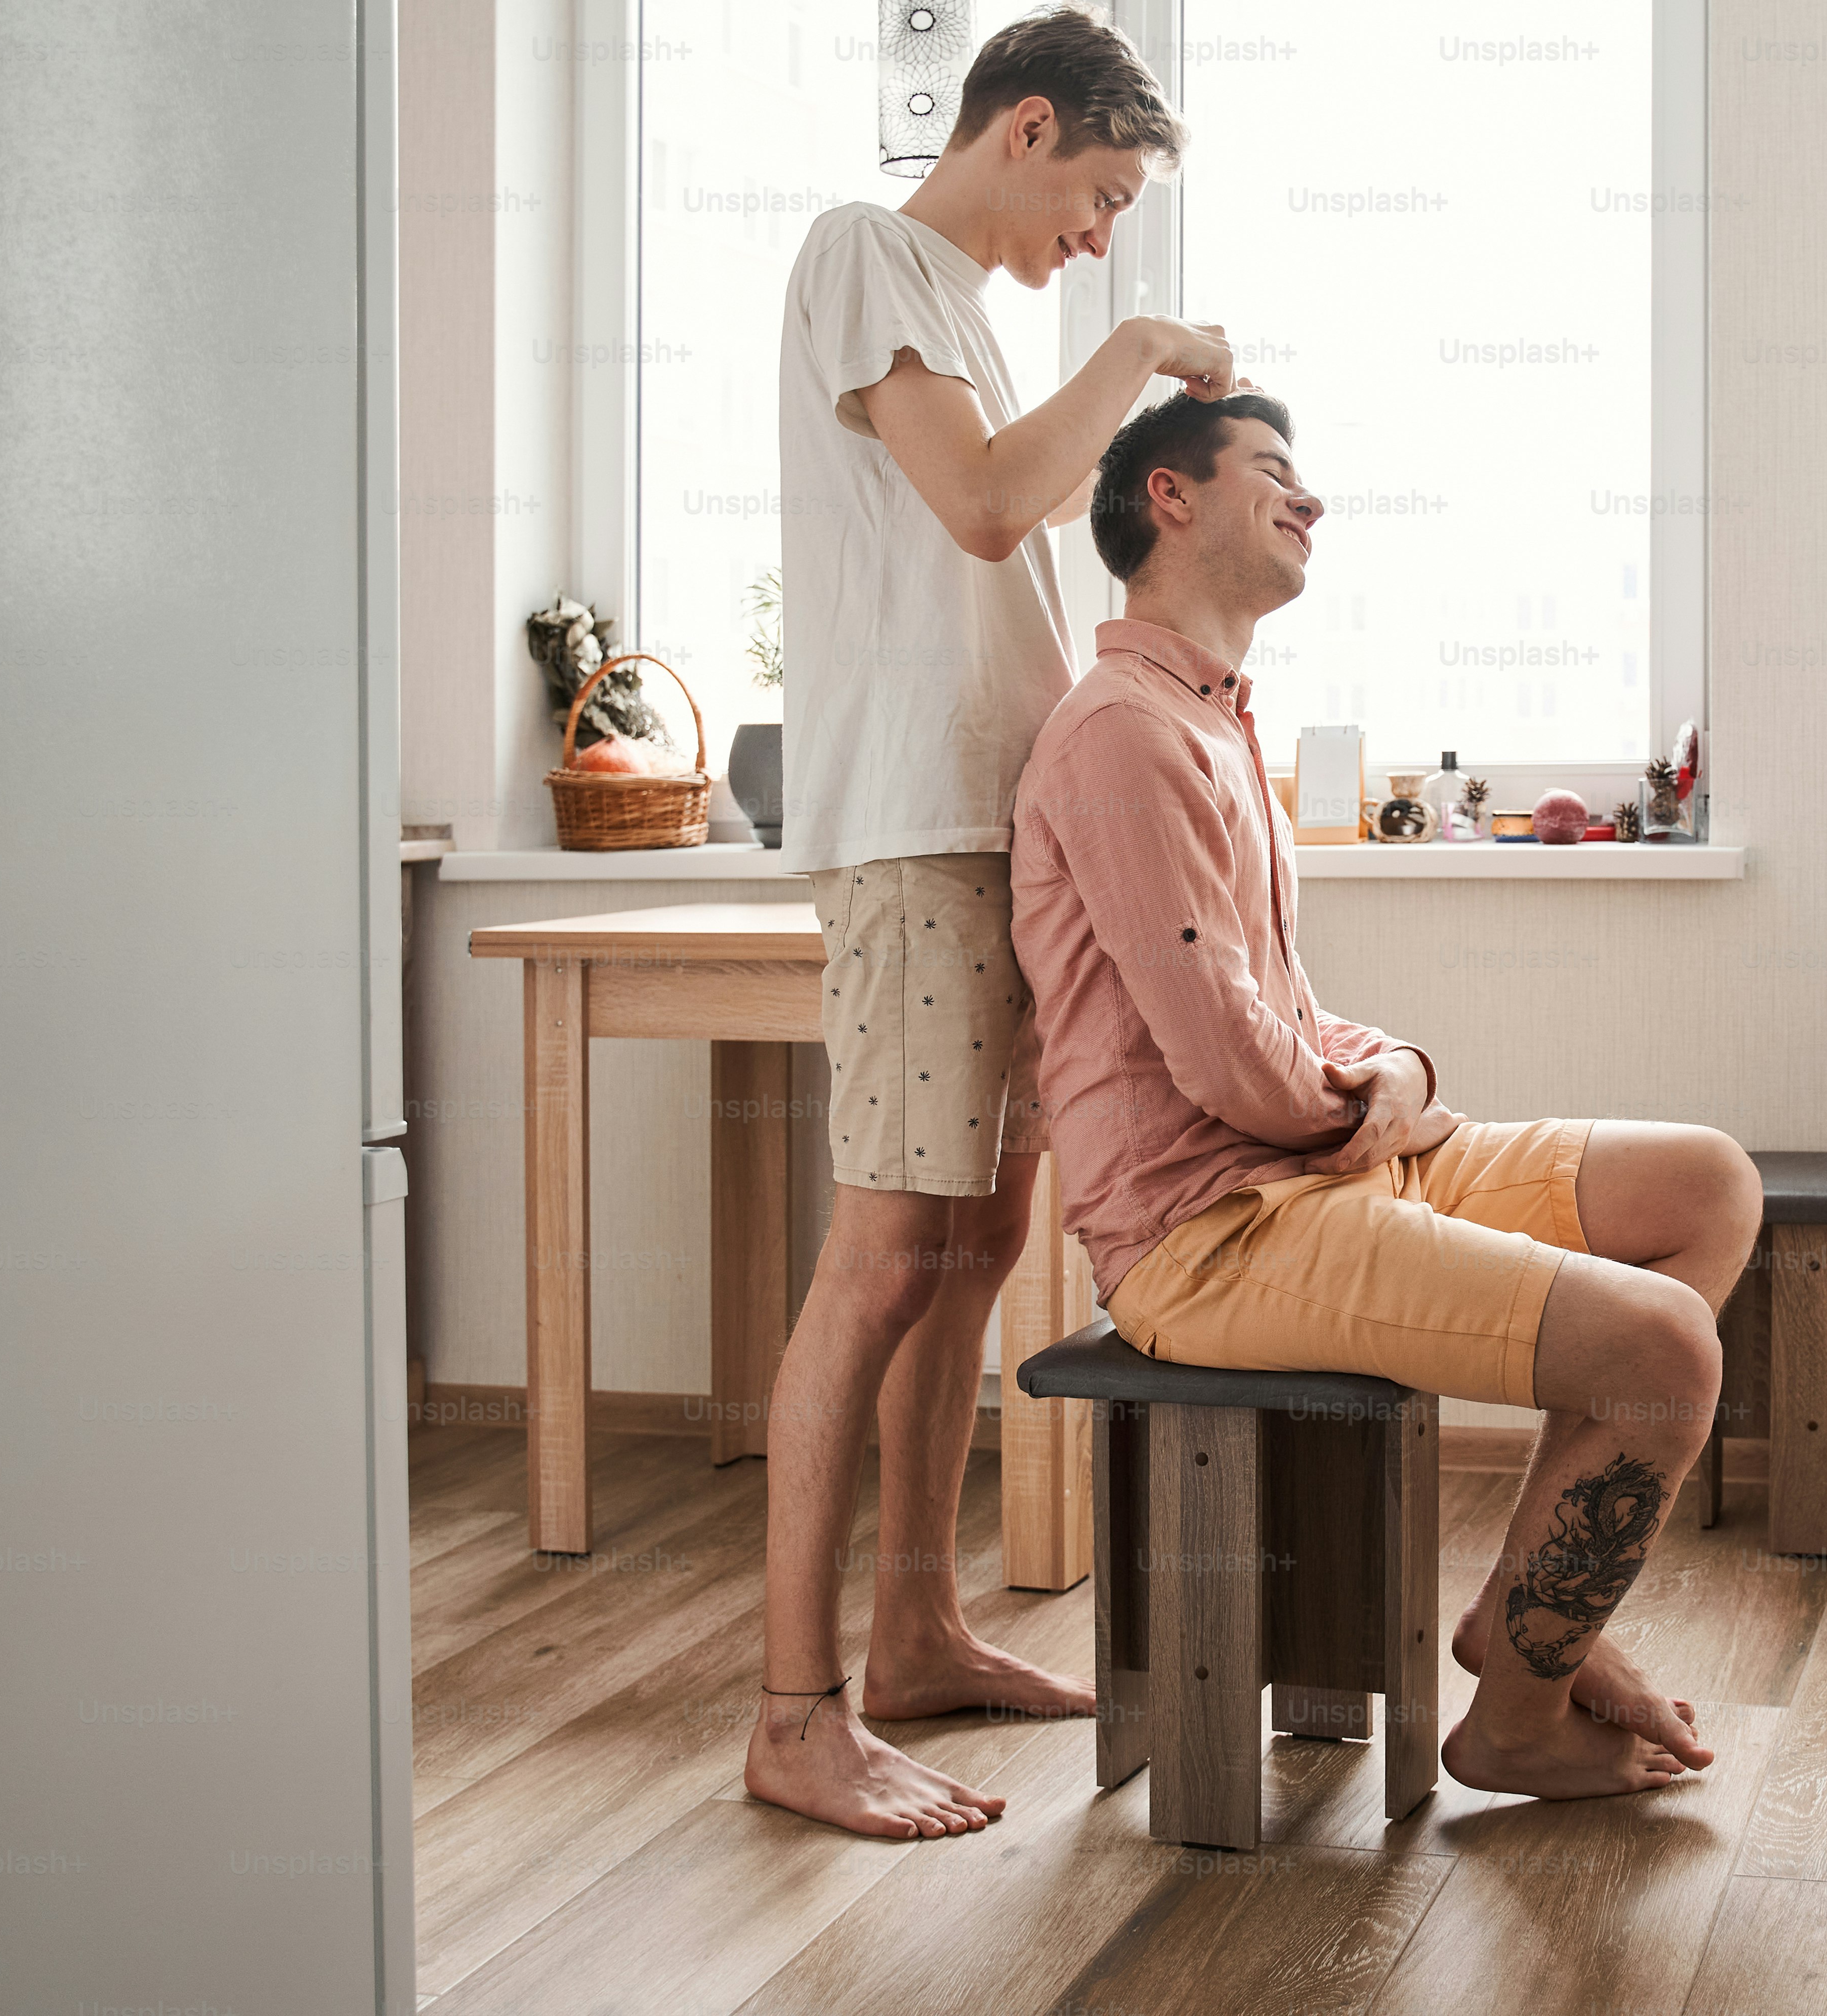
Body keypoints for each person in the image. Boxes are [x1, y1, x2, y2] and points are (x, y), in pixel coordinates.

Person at [1008, 392, 1763, 1800]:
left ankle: (1515, 1629)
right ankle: (1522, 1721)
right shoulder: (1123, 734)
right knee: (1664, 1349)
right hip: (1213, 1231)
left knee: (1707, 1183)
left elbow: (1276, 1016)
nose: (1313, 502)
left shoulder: (1214, 720)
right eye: (1276, 475)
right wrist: (1385, 1104)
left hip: (1319, 1164)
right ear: (1169, 499)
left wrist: (1394, 1079)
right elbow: (1230, 1067)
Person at [751, 5, 1243, 1843]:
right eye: (1100, 195)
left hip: (1000, 831)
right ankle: (794, 1716)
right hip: (912, 833)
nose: (1097, 239)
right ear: (1023, 127)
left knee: (974, 1245)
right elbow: (973, 512)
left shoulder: (961, 316)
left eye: (1122, 220)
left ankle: (918, 1634)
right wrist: (1130, 350)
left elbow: (1014, 512)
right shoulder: (864, 250)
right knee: (885, 1255)